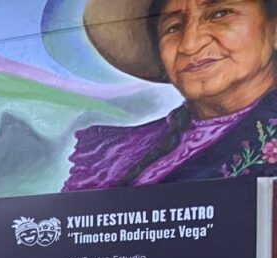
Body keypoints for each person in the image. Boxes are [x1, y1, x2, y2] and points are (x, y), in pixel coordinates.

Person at [67, 0, 277, 189]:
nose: (189, 44)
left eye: (220, 14)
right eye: (173, 27)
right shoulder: (113, 154)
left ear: (273, 29)